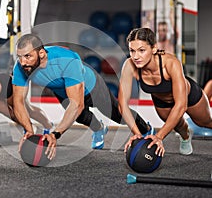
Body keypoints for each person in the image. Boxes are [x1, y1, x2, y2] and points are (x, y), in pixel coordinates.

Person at [12, 34, 153, 160]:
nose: (22, 62)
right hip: (63, 92)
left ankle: (146, 128)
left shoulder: (67, 60)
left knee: (118, 115)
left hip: (92, 87)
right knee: (81, 117)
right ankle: (99, 129)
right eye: (19, 57)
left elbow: (76, 105)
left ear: (41, 53)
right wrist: (28, 131)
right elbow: (18, 102)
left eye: (28, 56)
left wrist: (55, 135)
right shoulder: (20, 67)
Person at [118, 27, 212, 157]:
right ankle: (186, 137)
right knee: (178, 126)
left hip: (189, 96)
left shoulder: (170, 63)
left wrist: (159, 137)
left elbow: (181, 105)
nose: (135, 56)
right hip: (162, 100)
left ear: (154, 48)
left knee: (205, 123)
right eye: (132, 51)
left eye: (141, 50)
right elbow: (122, 105)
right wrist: (137, 133)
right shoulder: (129, 66)